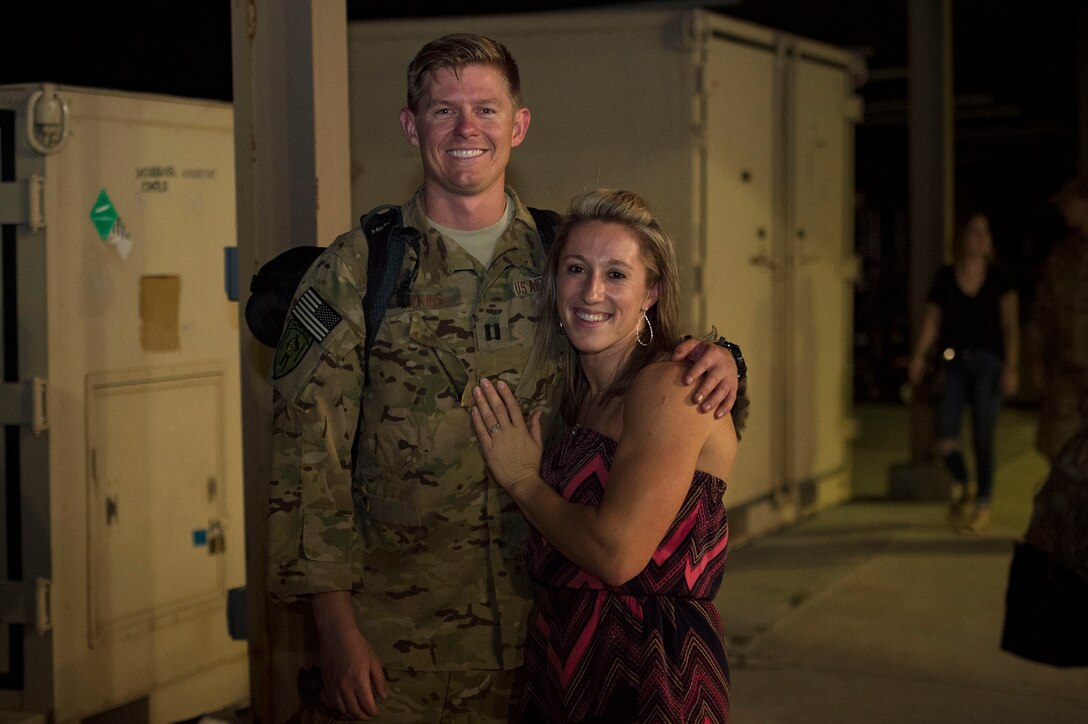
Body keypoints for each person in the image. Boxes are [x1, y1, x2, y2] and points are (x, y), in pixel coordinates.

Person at [267, 34, 743, 721]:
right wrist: (335, 630)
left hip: (545, 642)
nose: (467, 130)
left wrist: (726, 357)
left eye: (486, 110)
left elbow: (648, 350)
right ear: (410, 125)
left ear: (518, 125)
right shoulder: (357, 271)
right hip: (398, 645)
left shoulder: (564, 257)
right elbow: (308, 462)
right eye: (442, 111)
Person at [471, 189, 740, 722]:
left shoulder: (669, 386)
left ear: (651, 292)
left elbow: (617, 554)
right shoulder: (578, 393)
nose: (592, 291)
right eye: (576, 268)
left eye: (617, 274)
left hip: (649, 669)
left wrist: (524, 480)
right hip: (564, 656)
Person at [908, 212, 1020, 533]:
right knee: (945, 435)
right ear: (962, 239)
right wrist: (919, 356)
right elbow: (933, 321)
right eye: (974, 232)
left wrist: (1011, 366)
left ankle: (983, 502)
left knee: (983, 436)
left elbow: (1010, 326)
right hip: (953, 363)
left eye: (985, 233)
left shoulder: (999, 278)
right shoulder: (945, 276)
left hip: (988, 363)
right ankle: (964, 481)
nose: (980, 238)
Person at [1033, 175, 1088, 461]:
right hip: (1066, 367)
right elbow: (1045, 310)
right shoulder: (1063, 255)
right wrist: (1040, 356)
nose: (1064, 210)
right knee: (1059, 443)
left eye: (1069, 203)